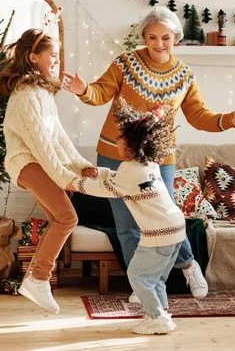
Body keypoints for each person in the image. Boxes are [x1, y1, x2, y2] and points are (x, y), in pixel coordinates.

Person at [61, 6, 235, 303]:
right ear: (143, 37)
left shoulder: (183, 75)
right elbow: (100, 92)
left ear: (175, 38)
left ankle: (189, 265)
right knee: (127, 225)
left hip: (159, 159)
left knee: (165, 220)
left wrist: (229, 119)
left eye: (165, 38)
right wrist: (83, 90)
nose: (158, 44)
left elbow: (199, 116)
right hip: (115, 154)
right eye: (152, 37)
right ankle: (140, 285)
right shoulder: (126, 63)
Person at [0, 28, 97, 314]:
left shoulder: (41, 92)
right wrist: (67, 178)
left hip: (36, 161)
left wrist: (80, 165)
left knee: (58, 218)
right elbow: (41, 146)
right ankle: (38, 278)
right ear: (32, 57)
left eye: (57, 55)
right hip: (27, 163)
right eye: (51, 55)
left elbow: (58, 137)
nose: (56, 60)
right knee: (67, 217)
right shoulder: (26, 96)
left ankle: (35, 279)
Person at [71, 98, 184, 335]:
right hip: (176, 230)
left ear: (132, 147)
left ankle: (156, 318)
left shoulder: (129, 170)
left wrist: (75, 183)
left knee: (137, 275)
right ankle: (161, 314)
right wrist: (99, 172)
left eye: (119, 141)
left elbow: (105, 190)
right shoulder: (148, 164)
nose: (116, 144)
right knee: (154, 279)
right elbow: (122, 180)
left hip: (159, 234)